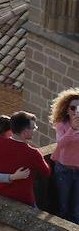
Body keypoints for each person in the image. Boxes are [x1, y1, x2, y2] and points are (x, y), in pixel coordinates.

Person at [0, 112, 51, 208]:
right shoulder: (33, 153)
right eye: (33, 128)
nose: (35, 130)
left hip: (0, 194)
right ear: (25, 132)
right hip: (24, 198)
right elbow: (46, 172)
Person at [50, 88, 79, 221]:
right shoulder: (62, 125)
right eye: (73, 108)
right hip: (64, 169)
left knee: (77, 208)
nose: (75, 111)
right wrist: (72, 129)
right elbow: (60, 144)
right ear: (67, 110)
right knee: (63, 205)